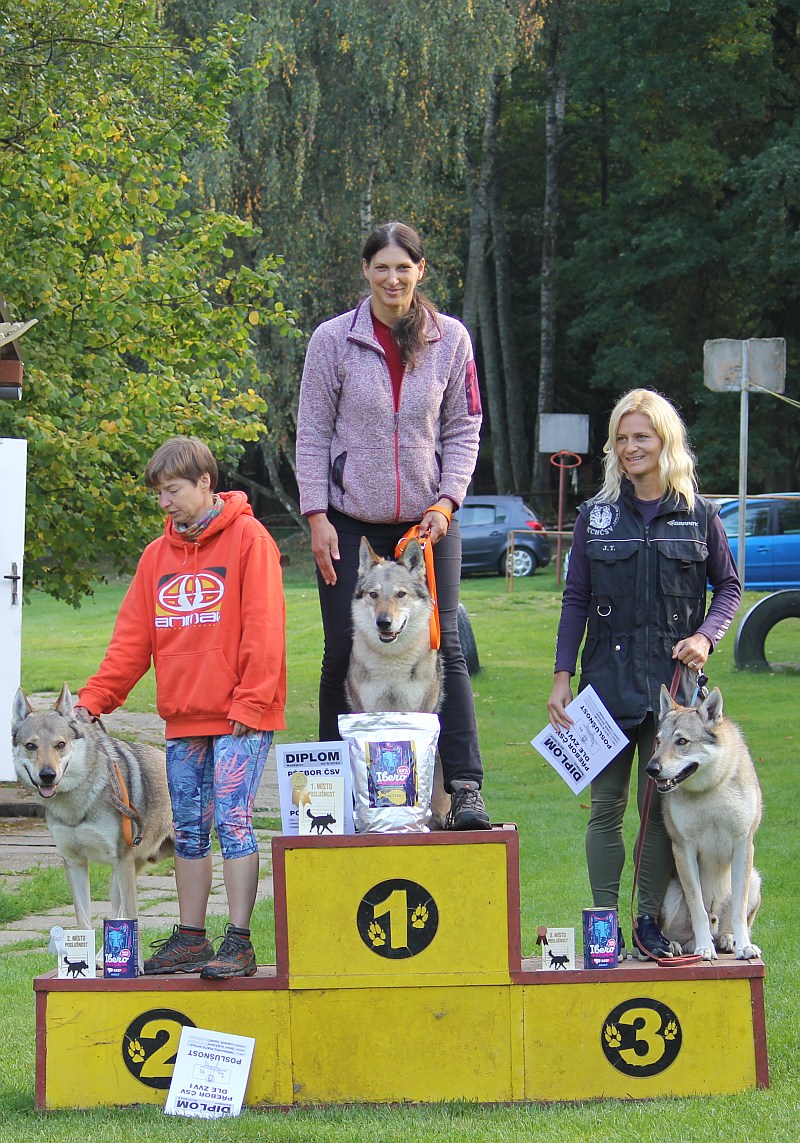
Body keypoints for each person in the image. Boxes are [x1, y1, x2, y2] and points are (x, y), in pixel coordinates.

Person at [296, 219, 489, 830]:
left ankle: (463, 788)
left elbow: (464, 428)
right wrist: (316, 514)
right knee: (339, 650)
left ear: (420, 271)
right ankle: (330, 794)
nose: (392, 277)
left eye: (403, 267)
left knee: (446, 646)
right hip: (349, 520)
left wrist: (447, 502)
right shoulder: (332, 340)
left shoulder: (451, 340)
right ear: (366, 272)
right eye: (381, 266)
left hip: (428, 522)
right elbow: (311, 432)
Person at [76, 437, 286, 978]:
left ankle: (238, 941)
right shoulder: (156, 557)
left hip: (242, 713)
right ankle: (192, 937)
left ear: (204, 484)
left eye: (172, 491)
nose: (164, 502)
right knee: (187, 830)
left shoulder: (249, 540)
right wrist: (94, 700)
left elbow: (265, 627)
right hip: (184, 716)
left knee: (234, 823)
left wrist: (252, 698)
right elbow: (131, 641)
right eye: (159, 494)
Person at [546, 389, 741, 959]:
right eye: (622, 438)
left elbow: (729, 586)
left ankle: (647, 923)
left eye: (642, 437)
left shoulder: (701, 515)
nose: (631, 448)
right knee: (605, 808)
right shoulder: (595, 516)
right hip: (603, 689)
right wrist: (562, 675)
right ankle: (604, 925)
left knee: (659, 814)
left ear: (665, 442)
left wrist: (707, 636)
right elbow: (575, 597)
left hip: (673, 697)